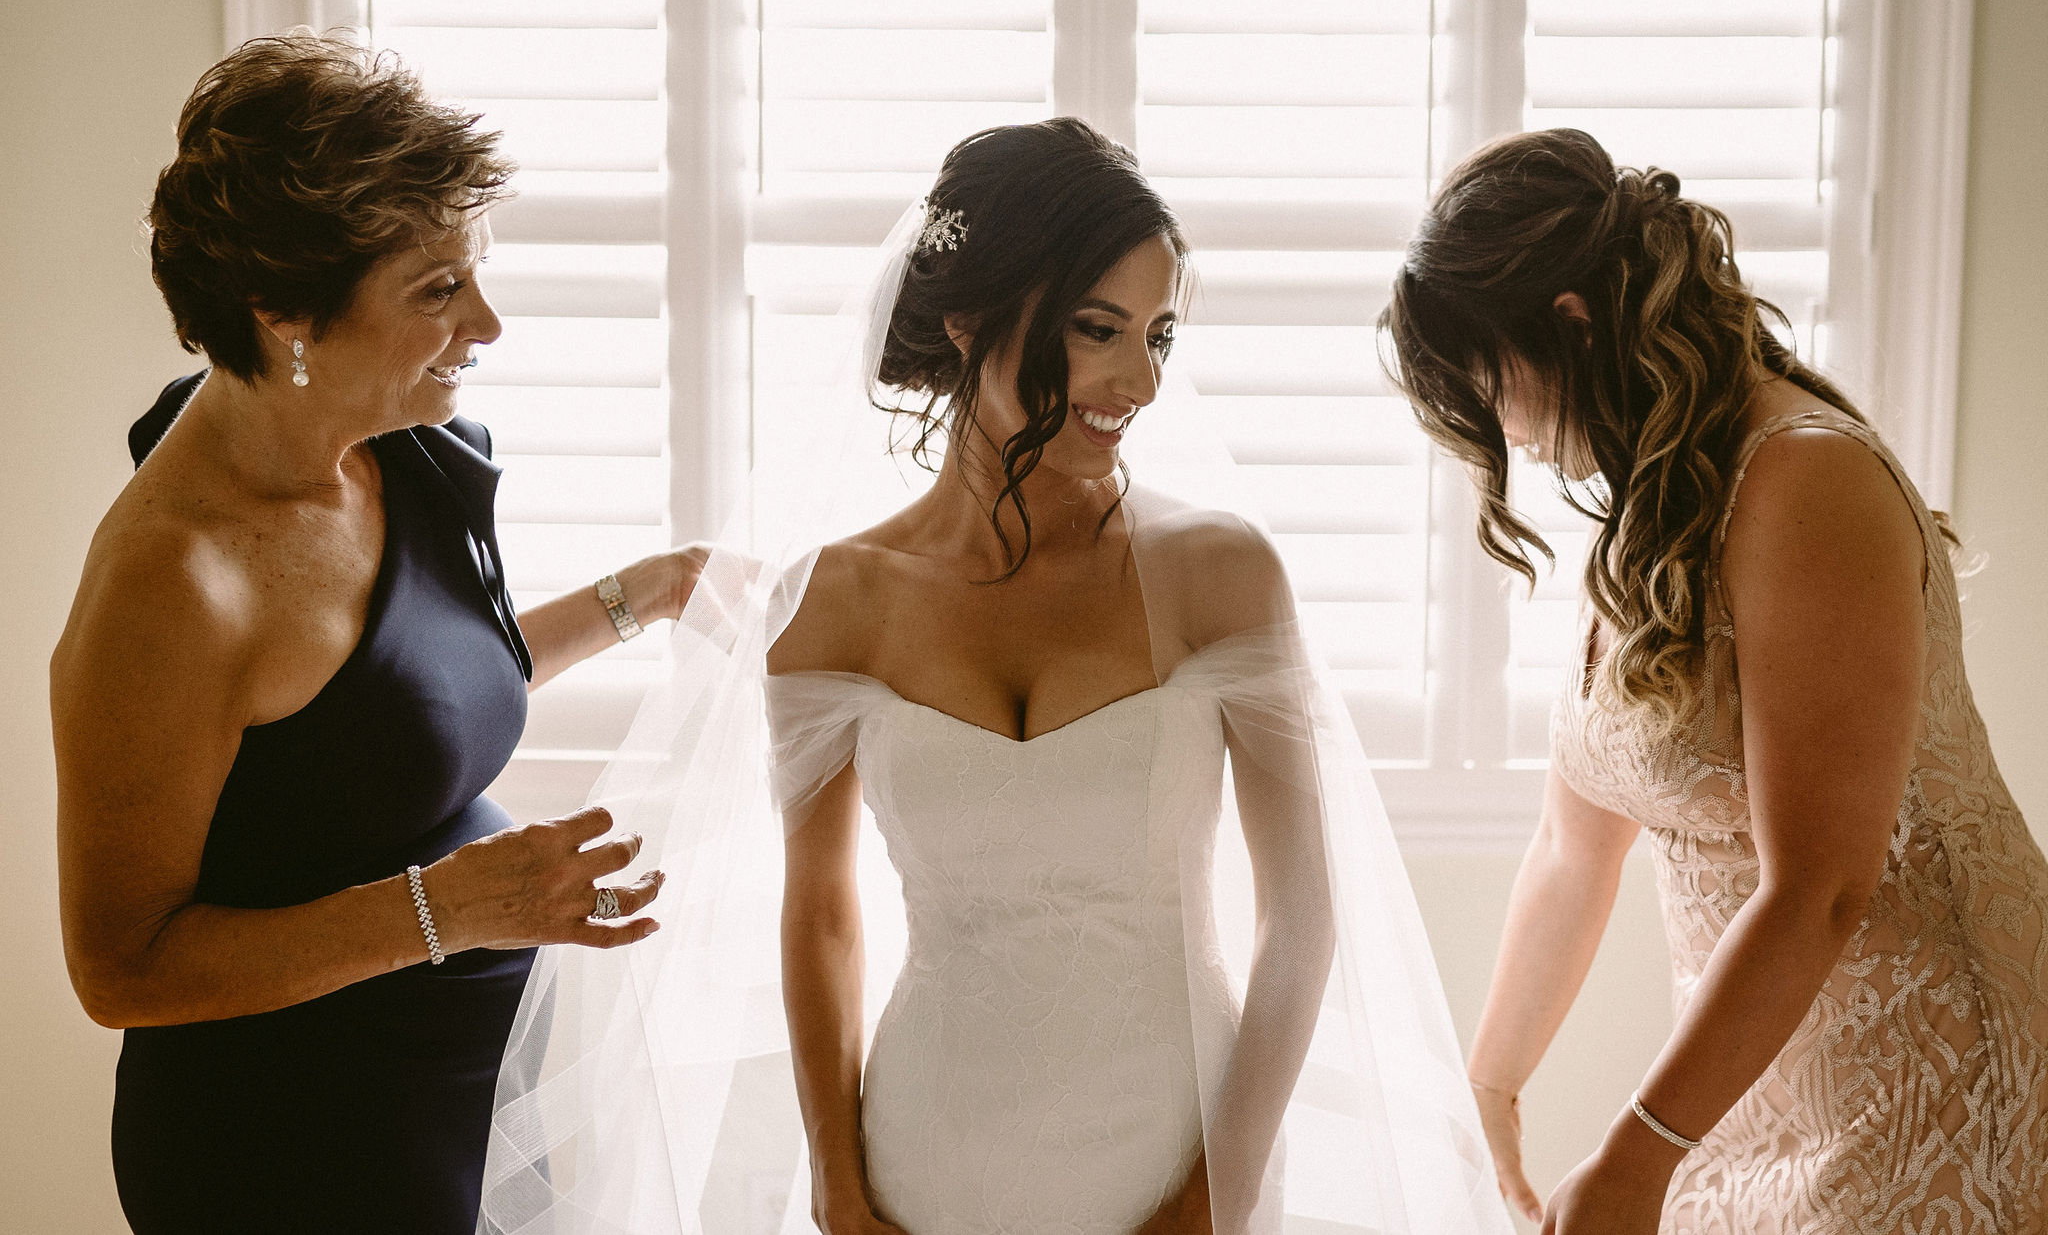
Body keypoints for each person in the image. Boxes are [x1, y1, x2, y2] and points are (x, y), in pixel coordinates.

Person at [476, 119, 1513, 1235]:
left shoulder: (1222, 574)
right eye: (1096, 329)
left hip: (1176, 1150)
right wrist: (836, 1181)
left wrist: (1217, 1193)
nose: (1138, 380)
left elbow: (1299, 915)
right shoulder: (835, 604)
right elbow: (822, 912)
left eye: (1158, 336)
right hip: (926, 1159)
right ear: (967, 320)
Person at [50, 33, 697, 1233]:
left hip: (466, 1095)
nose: (488, 324)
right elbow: (119, 965)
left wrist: (638, 598)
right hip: (299, 1148)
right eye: (439, 290)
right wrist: (450, 909)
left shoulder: (386, 443)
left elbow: (404, 696)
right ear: (286, 315)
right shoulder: (174, 589)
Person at [1380, 126, 2048, 1234]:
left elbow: (1819, 884)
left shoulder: (1803, 479)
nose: (1499, 426)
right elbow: (1569, 848)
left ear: (1571, 325)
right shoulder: (1653, 498)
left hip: (1932, 1078)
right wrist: (1488, 1093)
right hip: (1762, 1084)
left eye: (1489, 383)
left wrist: (1638, 1154)